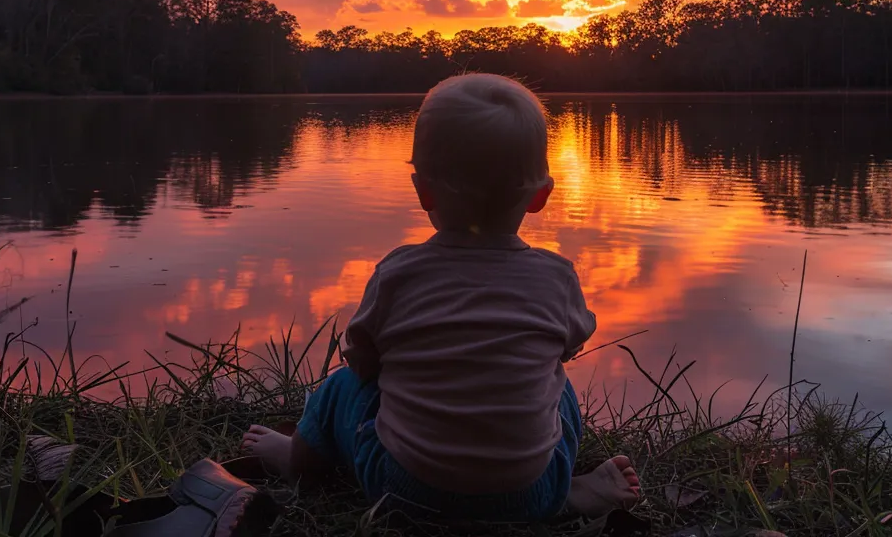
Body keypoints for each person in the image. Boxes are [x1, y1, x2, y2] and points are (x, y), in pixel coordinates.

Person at [242, 73, 640, 521]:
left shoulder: (398, 273)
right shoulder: (557, 277)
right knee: (557, 383)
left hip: (402, 491)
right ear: (540, 197)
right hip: (531, 492)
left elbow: (362, 361)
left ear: (422, 190)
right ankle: (562, 494)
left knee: (340, 385)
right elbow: (570, 344)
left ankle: (299, 461)